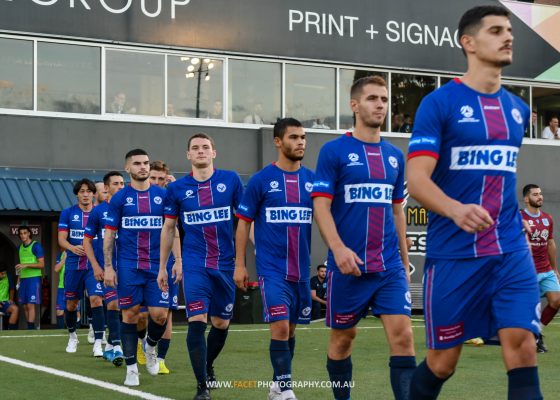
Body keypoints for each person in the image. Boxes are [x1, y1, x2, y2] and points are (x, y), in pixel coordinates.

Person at [406, 6, 542, 399]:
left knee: (523, 345)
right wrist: (455, 209)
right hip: (455, 254)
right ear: (468, 42)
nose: (508, 36)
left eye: (510, 30)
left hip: (510, 250)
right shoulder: (440, 103)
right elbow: (416, 180)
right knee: (442, 362)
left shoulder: (518, 110)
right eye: (496, 30)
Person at [312, 75, 415, 400]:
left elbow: (397, 211)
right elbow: (321, 206)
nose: (380, 104)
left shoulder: (396, 156)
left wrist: (404, 259)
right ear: (355, 105)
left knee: (404, 337)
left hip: (388, 268)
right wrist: (338, 249)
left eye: (384, 99)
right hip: (347, 269)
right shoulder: (334, 152)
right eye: (373, 98)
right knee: (344, 339)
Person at [235, 118, 314, 400]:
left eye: (303, 137)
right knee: (280, 326)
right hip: (272, 269)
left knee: (291, 330)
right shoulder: (260, 181)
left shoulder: (313, 180)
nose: (301, 142)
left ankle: (276, 384)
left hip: (301, 270)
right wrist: (241, 264)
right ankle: (286, 386)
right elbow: (243, 223)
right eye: (294, 137)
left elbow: (327, 218)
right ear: (278, 142)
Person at [161, 133, 243, 400]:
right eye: (195, 148)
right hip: (195, 264)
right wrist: (165, 266)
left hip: (224, 264)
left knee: (221, 322)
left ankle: (208, 365)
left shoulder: (230, 180)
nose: (200, 151)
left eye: (205, 147)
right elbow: (169, 228)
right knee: (197, 320)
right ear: (188, 155)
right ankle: (201, 387)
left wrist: (253, 255)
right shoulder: (176, 189)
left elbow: (244, 222)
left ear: (213, 153)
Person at [103, 149, 179, 387]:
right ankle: (132, 369)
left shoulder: (163, 196)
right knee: (130, 315)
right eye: (137, 164)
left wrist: (178, 260)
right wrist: (108, 266)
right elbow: (109, 235)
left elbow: (173, 230)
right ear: (128, 168)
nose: (143, 167)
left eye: (146, 163)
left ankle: (151, 346)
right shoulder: (119, 199)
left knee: (159, 315)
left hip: (158, 267)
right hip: (129, 266)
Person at [58, 179, 105, 355]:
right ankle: (72, 336)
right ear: (77, 194)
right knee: (71, 304)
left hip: (94, 266)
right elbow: (61, 239)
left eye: (88, 191)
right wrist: (71, 247)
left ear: (94, 194)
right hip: (73, 265)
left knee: (96, 299)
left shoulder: (100, 213)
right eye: (82, 191)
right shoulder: (68, 213)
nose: (85, 194)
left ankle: (98, 343)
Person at [84, 171, 125, 366]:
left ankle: (111, 344)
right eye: (116, 183)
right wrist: (95, 265)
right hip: (106, 268)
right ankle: (115, 345)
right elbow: (86, 241)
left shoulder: (129, 208)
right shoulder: (98, 212)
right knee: (111, 304)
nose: (120, 186)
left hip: (128, 267)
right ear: (106, 188)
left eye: (122, 183)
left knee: (133, 310)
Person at [149, 162, 181, 375]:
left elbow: (175, 230)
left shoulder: (171, 199)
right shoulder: (135, 198)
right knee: (141, 314)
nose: (158, 183)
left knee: (166, 313)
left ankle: (160, 359)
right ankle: (144, 346)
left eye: (162, 179)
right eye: (154, 178)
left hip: (166, 264)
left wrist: (178, 260)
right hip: (140, 263)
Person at [521, 184, 559, 353]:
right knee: (530, 308)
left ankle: (537, 332)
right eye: (535, 194)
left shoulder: (547, 218)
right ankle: (531, 337)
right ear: (526, 199)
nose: (540, 197)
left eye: (540, 194)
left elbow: (550, 243)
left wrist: (555, 268)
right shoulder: (519, 217)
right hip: (528, 272)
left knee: (556, 301)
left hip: (546, 269)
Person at [15, 225, 45, 330]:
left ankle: (31, 329)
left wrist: (26, 265)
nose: (23, 235)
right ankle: (30, 328)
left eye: (24, 233)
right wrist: (18, 281)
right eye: (21, 233)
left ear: (29, 233)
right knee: (24, 306)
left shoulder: (36, 246)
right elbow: (19, 266)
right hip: (23, 279)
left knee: (30, 305)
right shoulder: (20, 248)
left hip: (34, 279)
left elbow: (42, 264)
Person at [54, 250, 67, 329]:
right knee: (59, 312)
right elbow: (56, 269)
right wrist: (65, 258)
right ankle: (60, 332)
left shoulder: (77, 252)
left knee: (76, 311)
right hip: (62, 287)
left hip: (73, 286)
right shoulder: (61, 254)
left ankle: (75, 332)